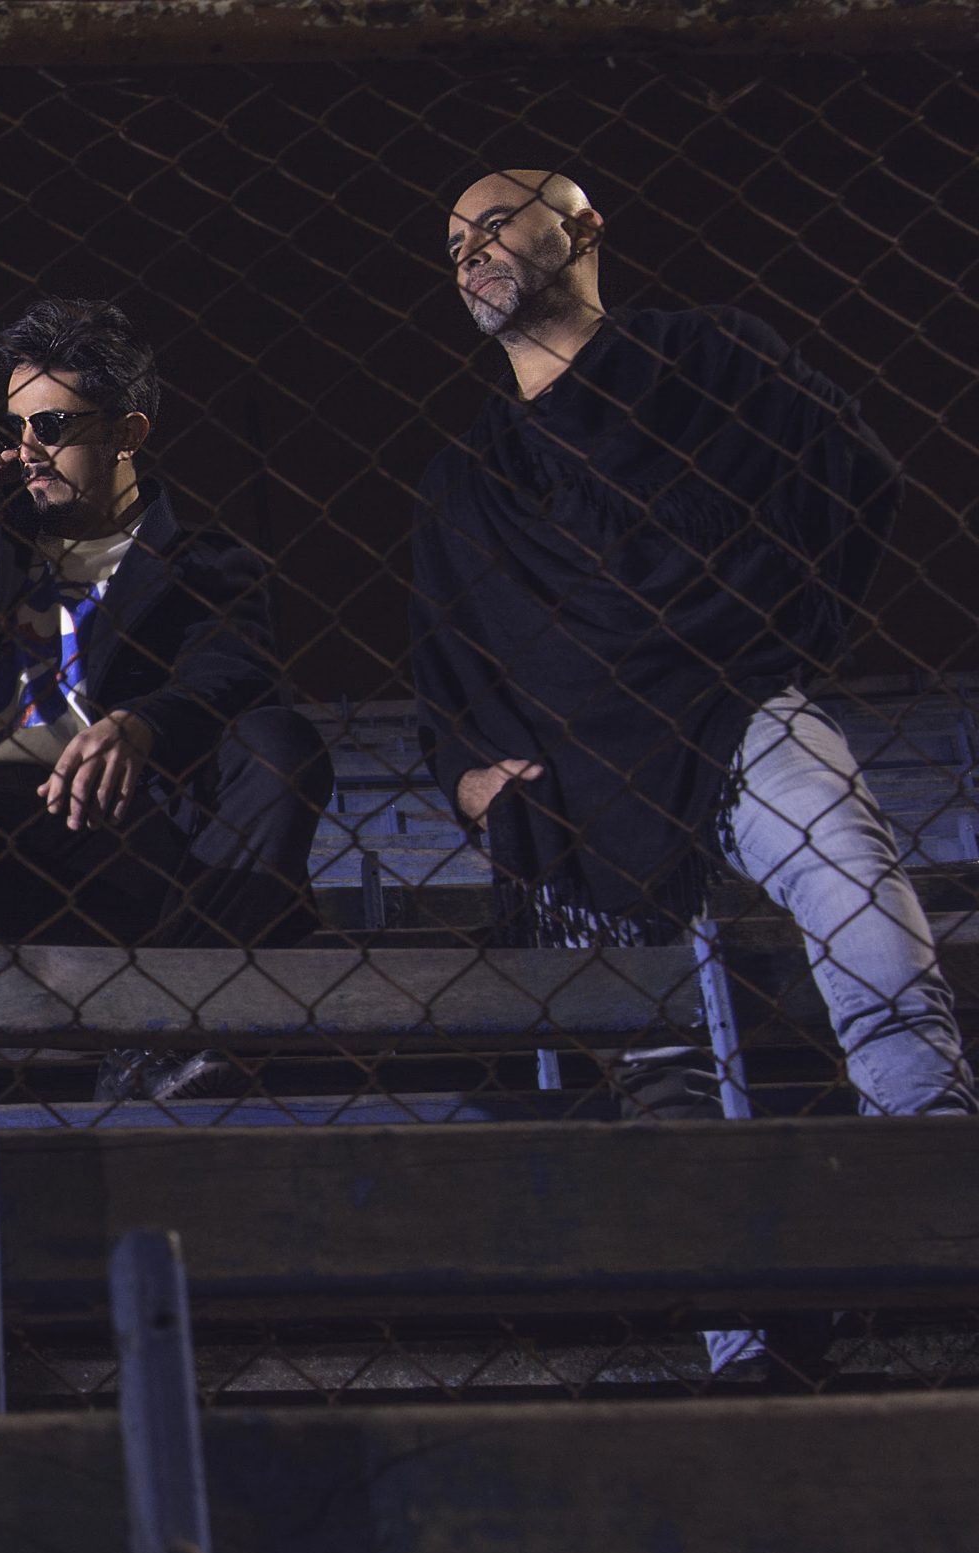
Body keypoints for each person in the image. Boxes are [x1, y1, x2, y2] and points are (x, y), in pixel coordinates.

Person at [410, 169, 972, 1119]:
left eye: (495, 225)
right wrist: (466, 772)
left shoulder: (707, 356)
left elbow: (850, 475)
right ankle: (673, 1122)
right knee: (660, 1071)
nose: (470, 255)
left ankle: (926, 1119)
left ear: (583, 228)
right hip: (573, 764)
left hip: (726, 703)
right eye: (455, 246)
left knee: (843, 857)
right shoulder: (466, 476)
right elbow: (445, 657)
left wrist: (762, 626)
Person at [0, 297, 333, 1104]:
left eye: (50, 427)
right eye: (15, 429)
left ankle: (168, 1032)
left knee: (281, 744)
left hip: (115, 832)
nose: (25, 451)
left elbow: (235, 670)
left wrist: (142, 723)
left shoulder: (204, 563)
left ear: (127, 432)